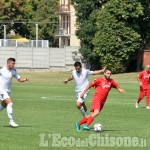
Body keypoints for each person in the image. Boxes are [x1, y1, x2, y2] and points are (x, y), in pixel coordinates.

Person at [0, 58, 29, 127]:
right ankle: (11, 121)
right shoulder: (2, 70)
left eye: (14, 63)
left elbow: (19, 79)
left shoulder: (13, 71)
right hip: (1, 90)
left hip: (8, 91)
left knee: (4, 105)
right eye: (13, 63)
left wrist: (25, 79)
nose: (14, 65)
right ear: (8, 63)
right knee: (10, 103)